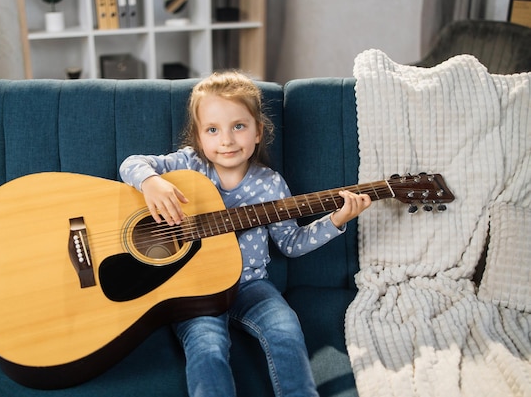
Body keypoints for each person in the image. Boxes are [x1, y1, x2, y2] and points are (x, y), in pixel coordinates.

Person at [119, 70, 371, 397]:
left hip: (252, 284)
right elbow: (132, 163)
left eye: (238, 126)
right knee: (207, 348)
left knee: (286, 331)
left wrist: (336, 220)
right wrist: (150, 181)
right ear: (199, 136)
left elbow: (291, 244)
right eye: (213, 130)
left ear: (257, 132)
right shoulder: (187, 165)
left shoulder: (270, 184)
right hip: (194, 290)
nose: (226, 140)